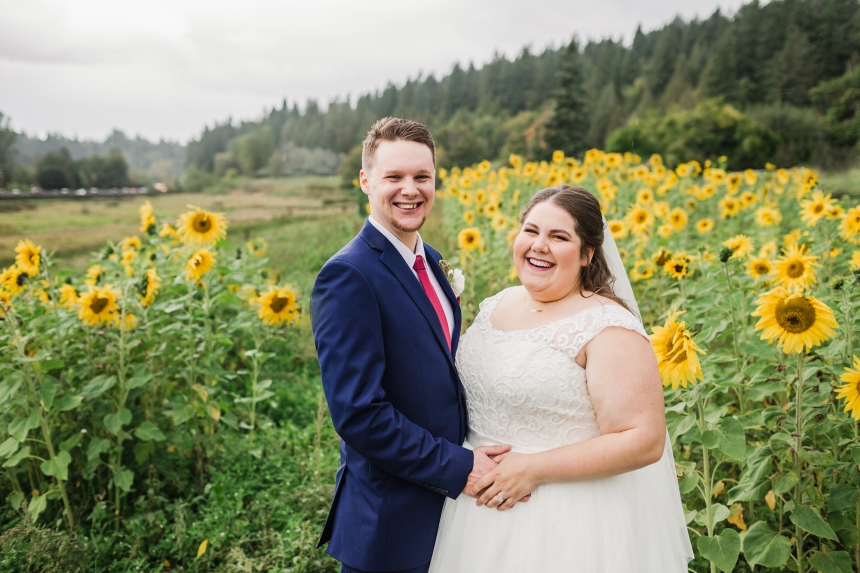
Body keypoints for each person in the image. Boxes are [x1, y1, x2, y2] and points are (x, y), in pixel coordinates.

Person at [429, 186, 694, 572]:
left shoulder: (607, 326)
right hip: (474, 514)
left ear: (587, 254)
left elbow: (644, 440)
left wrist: (533, 469)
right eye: (531, 231)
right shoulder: (496, 304)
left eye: (559, 237)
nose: (539, 246)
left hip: (565, 523)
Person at [311, 117, 512, 573]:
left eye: (422, 177)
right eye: (394, 177)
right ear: (365, 181)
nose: (411, 189)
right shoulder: (348, 276)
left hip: (454, 513)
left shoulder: (433, 261)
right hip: (392, 520)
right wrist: (461, 467)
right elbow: (359, 415)